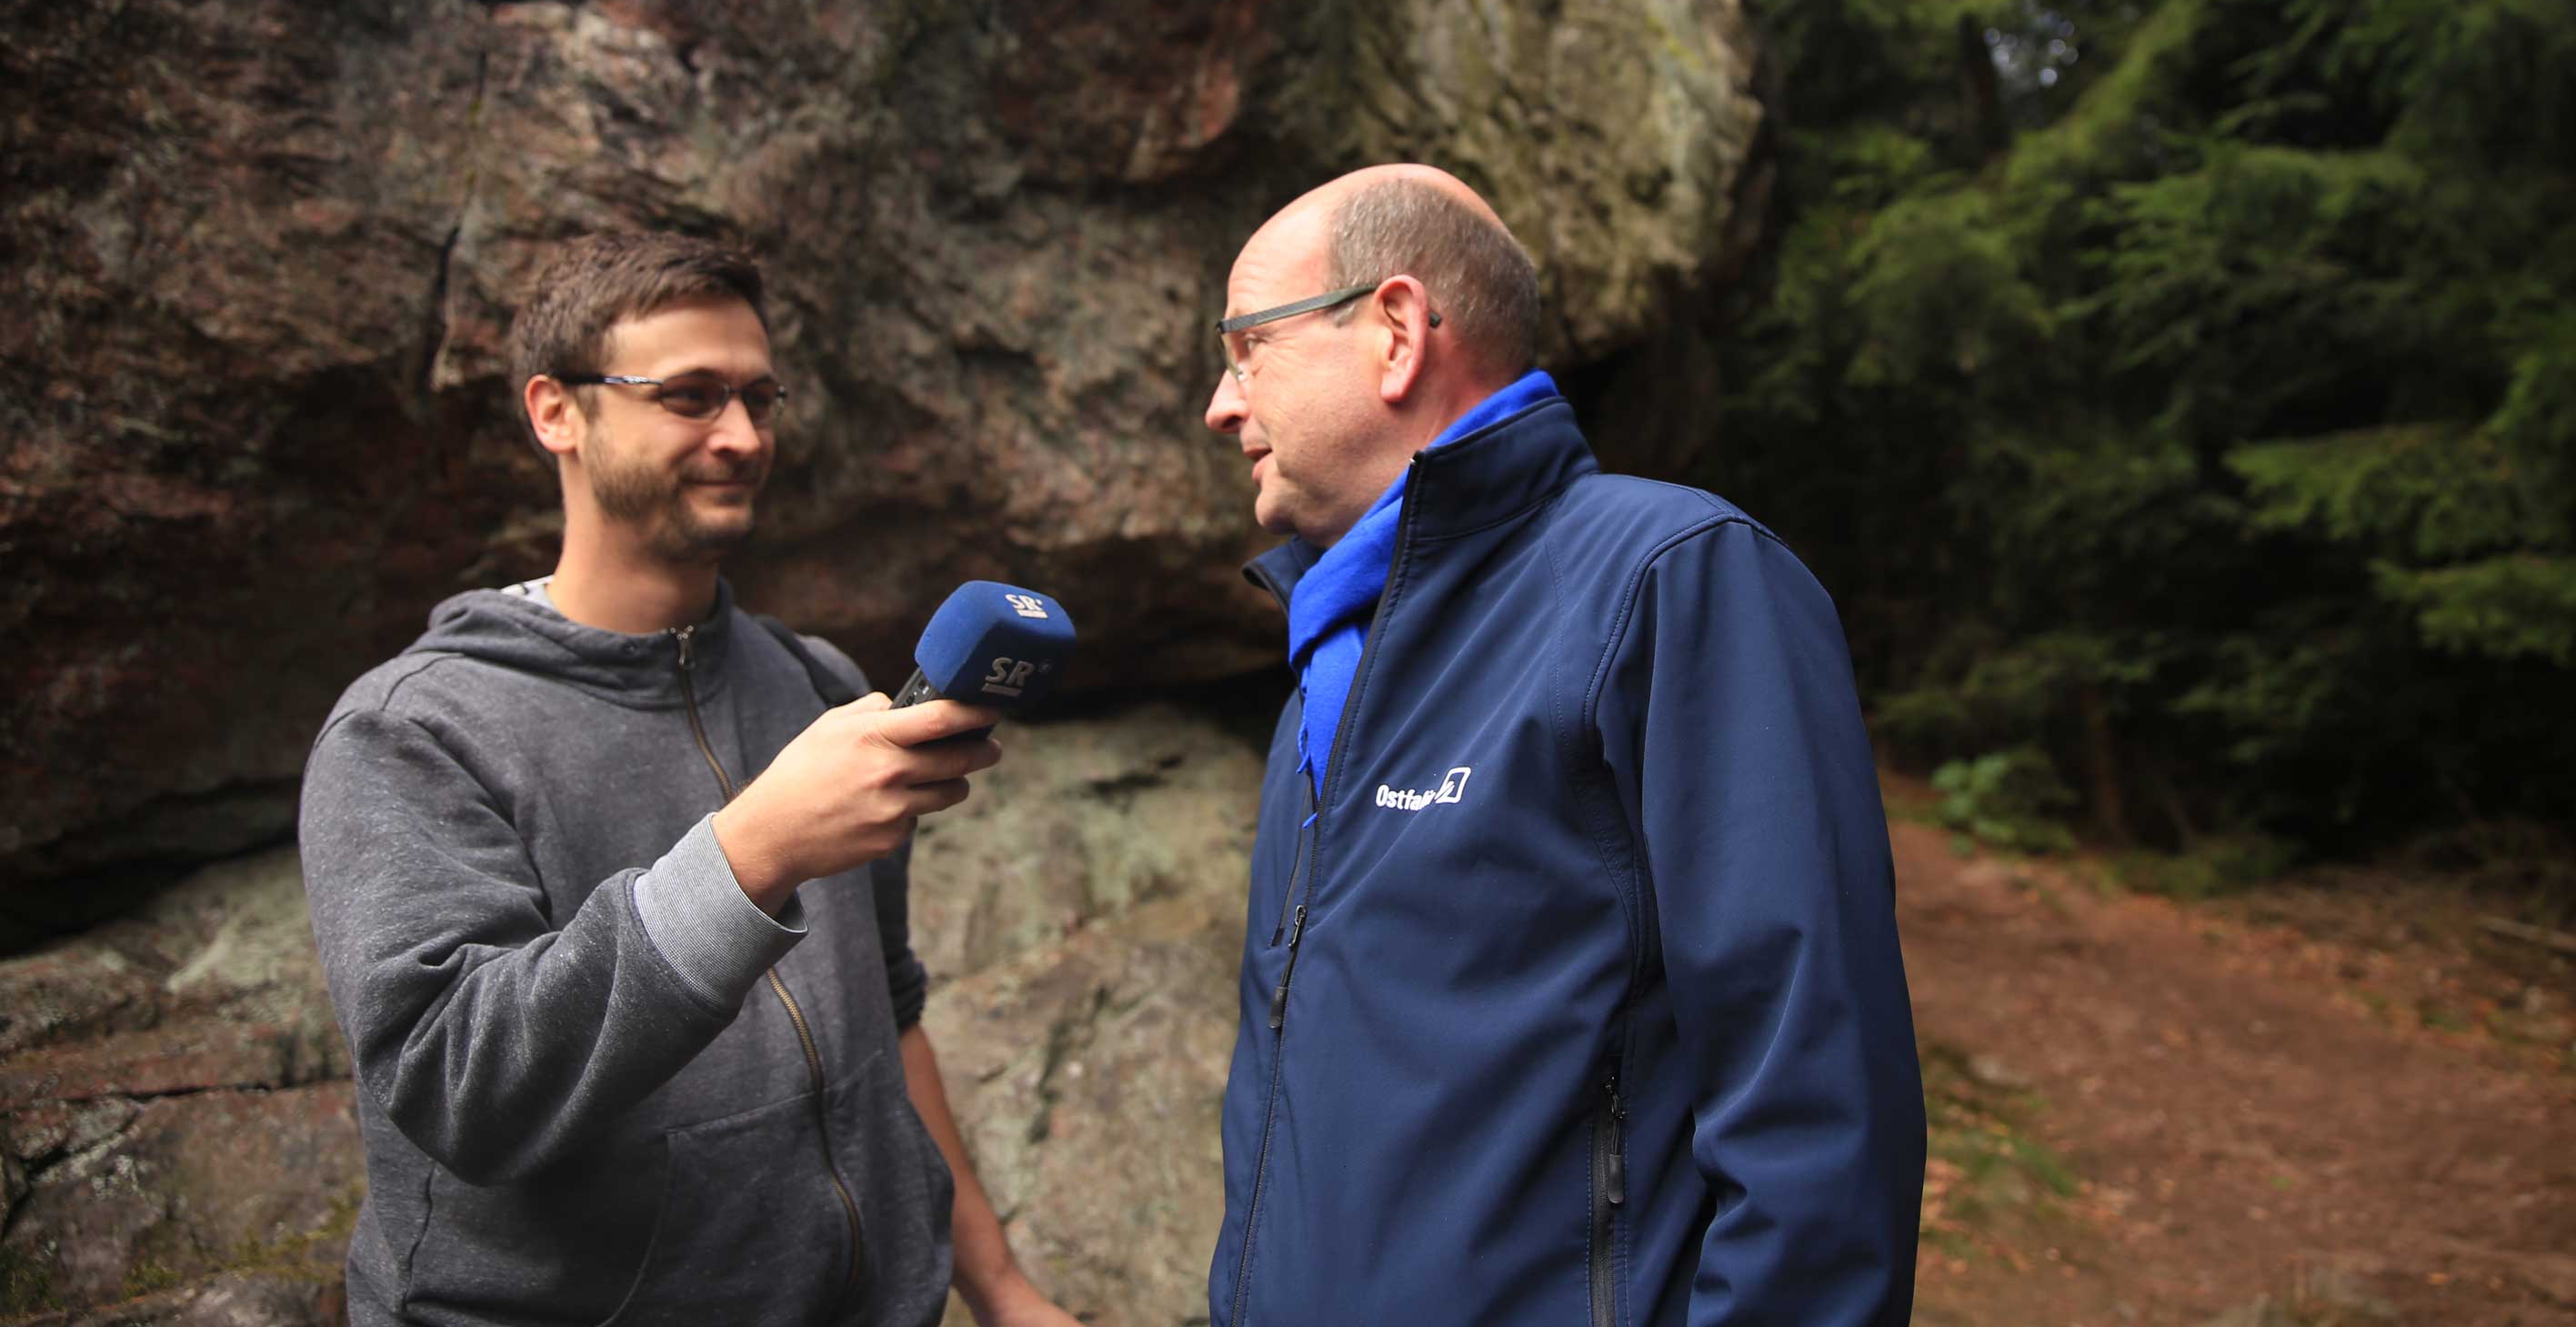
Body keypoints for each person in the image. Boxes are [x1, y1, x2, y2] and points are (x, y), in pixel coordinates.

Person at [299, 233, 1074, 1327]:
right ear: (555, 411)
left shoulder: (818, 684)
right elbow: (455, 1086)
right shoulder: (413, 729)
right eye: (692, 395)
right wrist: (752, 851)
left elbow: (885, 1016)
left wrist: (995, 1284)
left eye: (761, 396)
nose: (743, 435)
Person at [1199, 166, 1926, 1326]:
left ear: (1394, 331)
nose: (1222, 407)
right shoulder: (1331, 659)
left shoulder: (1671, 581)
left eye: (1246, 350)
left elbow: (1817, 1104)